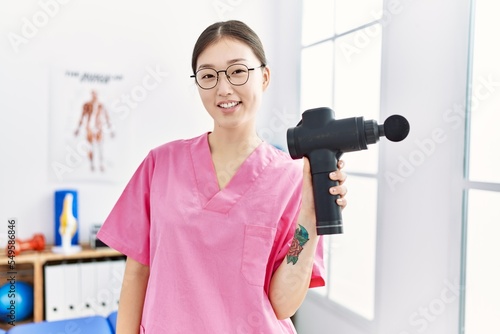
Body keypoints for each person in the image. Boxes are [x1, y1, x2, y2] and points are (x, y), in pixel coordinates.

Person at [97, 20, 347, 333]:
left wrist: (309, 216)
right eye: (208, 76)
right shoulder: (161, 164)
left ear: (264, 77)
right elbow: (137, 273)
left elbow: (283, 304)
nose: (223, 88)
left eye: (238, 71)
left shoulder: (291, 179)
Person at [74, 90, 114, 172]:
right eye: (93, 95)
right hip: (89, 128)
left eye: (95, 95)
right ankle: (92, 165)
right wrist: (78, 129)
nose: (94, 97)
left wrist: (110, 130)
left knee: (100, 147)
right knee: (91, 147)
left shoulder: (100, 105)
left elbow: (106, 117)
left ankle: (101, 164)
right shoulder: (87, 105)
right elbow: (82, 116)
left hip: (98, 128)